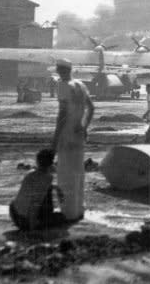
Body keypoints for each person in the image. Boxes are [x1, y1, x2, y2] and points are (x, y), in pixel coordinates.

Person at [52, 59, 93, 222]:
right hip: (78, 134)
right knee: (78, 172)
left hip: (66, 133)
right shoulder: (81, 85)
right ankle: (79, 209)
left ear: (60, 70)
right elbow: (91, 108)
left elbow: (61, 115)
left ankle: (68, 212)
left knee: (65, 173)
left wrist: (55, 138)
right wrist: (84, 127)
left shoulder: (62, 86)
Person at [9, 149, 68, 231]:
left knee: (47, 189)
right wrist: (32, 229)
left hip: (14, 213)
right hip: (25, 221)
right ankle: (38, 221)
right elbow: (35, 204)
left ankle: (38, 220)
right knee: (61, 218)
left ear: (37, 162)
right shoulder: (47, 178)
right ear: (51, 164)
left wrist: (56, 188)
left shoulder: (30, 174)